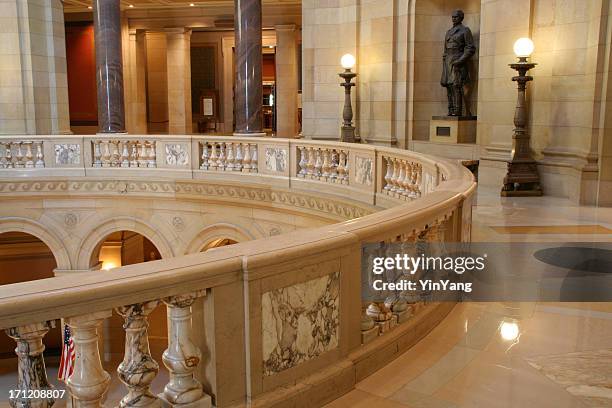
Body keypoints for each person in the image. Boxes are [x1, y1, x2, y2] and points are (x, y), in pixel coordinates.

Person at [441, 10, 476, 116]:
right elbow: (445, 49)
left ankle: (457, 110)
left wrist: (460, 60)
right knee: (448, 85)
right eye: (452, 17)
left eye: (456, 17)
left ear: (461, 18)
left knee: (456, 85)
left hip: (457, 60)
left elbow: (470, 48)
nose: (453, 19)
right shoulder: (448, 32)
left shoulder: (465, 31)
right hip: (447, 61)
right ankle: (450, 109)